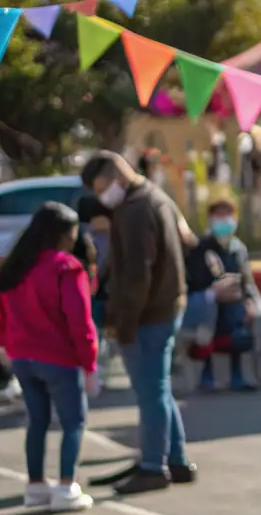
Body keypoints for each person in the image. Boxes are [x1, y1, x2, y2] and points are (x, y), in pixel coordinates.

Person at [80, 151, 196, 494]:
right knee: (158, 388)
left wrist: (122, 323)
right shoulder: (155, 197)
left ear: (117, 176)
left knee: (151, 392)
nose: (101, 197)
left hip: (147, 314)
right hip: (165, 307)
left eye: (101, 188)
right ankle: (173, 459)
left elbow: (136, 274)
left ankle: (152, 466)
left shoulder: (135, 209)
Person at [0, 203, 97, 512]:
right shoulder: (67, 267)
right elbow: (80, 320)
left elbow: (2, 314)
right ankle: (66, 487)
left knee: (36, 421)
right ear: (63, 234)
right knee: (73, 421)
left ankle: (35, 485)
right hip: (58, 357)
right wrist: (89, 363)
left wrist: (2, 346)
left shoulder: (13, 267)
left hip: (22, 355)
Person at [185, 195, 257, 392]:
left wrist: (250, 301)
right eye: (219, 214)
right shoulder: (200, 248)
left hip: (233, 307)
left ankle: (237, 374)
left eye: (228, 215)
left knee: (239, 315)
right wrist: (214, 291)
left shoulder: (238, 249)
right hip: (207, 307)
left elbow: (247, 281)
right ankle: (206, 375)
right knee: (212, 309)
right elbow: (193, 281)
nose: (224, 220)